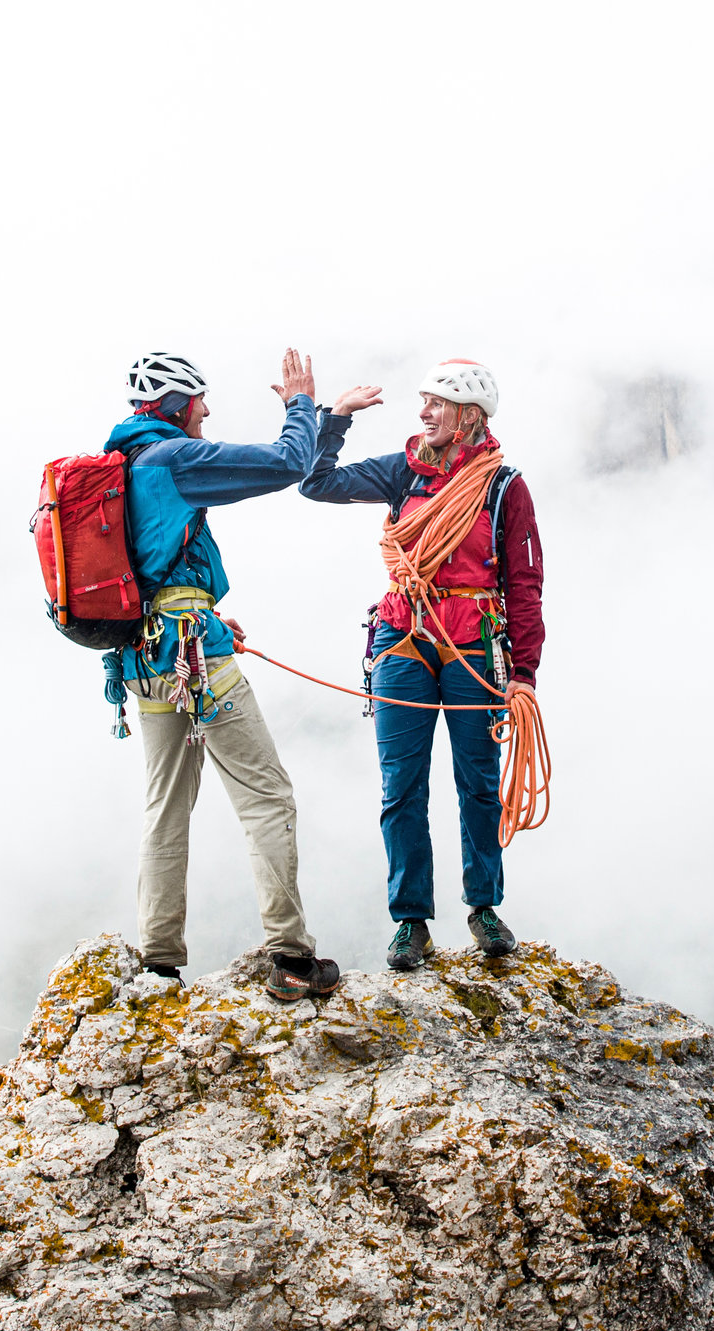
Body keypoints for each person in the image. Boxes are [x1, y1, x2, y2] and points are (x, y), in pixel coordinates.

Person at [102, 348, 377, 1000]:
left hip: (144, 661)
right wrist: (301, 407)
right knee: (266, 800)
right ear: (174, 404)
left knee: (164, 809)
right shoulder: (174, 460)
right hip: (195, 664)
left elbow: (156, 570)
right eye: (198, 400)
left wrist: (213, 622)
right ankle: (291, 958)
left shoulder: (124, 465)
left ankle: (158, 961)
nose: (205, 411)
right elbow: (286, 463)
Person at [298, 359, 545, 971]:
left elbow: (525, 581)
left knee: (479, 782)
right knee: (401, 785)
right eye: (424, 401)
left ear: (469, 416)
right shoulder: (402, 471)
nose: (424, 412)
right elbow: (316, 483)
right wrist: (335, 419)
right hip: (402, 635)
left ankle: (483, 907)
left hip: (475, 639)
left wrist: (524, 673)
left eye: (437, 403)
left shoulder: (502, 486)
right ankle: (411, 920)